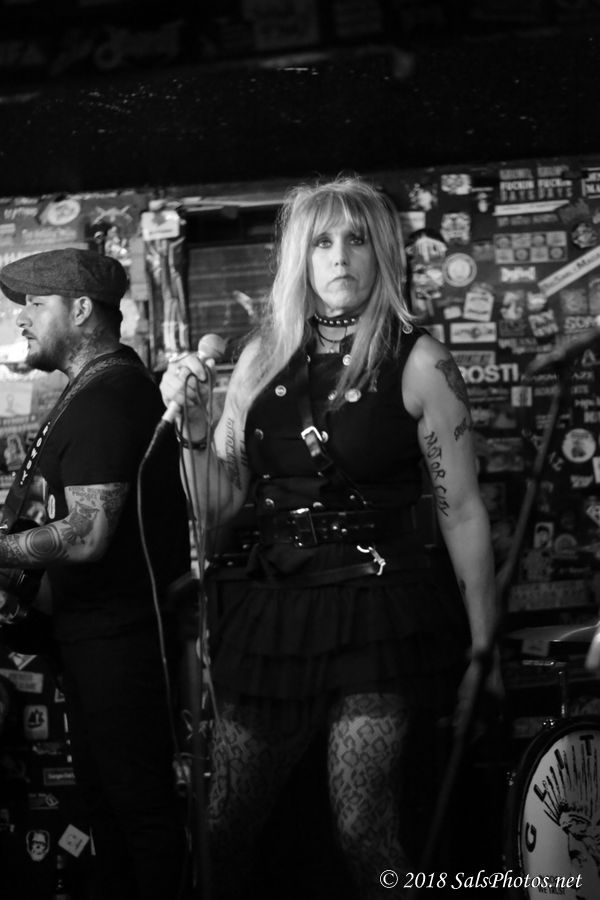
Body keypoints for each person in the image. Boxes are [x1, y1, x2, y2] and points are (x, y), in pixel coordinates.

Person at [160, 176, 500, 899]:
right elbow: (218, 503)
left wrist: (484, 648)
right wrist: (192, 431)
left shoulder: (420, 360)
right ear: (300, 258)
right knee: (224, 824)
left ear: (382, 253)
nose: (339, 255)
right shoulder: (260, 358)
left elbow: (463, 511)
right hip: (277, 606)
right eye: (321, 241)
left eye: (356, 239)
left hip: (380, 607)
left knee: (362, 827)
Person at [0, 248, 190, 900]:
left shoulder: (110, 397)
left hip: (120, 644)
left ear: (81, 309)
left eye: (36, 303)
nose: (21, 318)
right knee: (110, 809)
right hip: (92, 639)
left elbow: (87, 533)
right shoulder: (90, 390)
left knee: (138, 810)